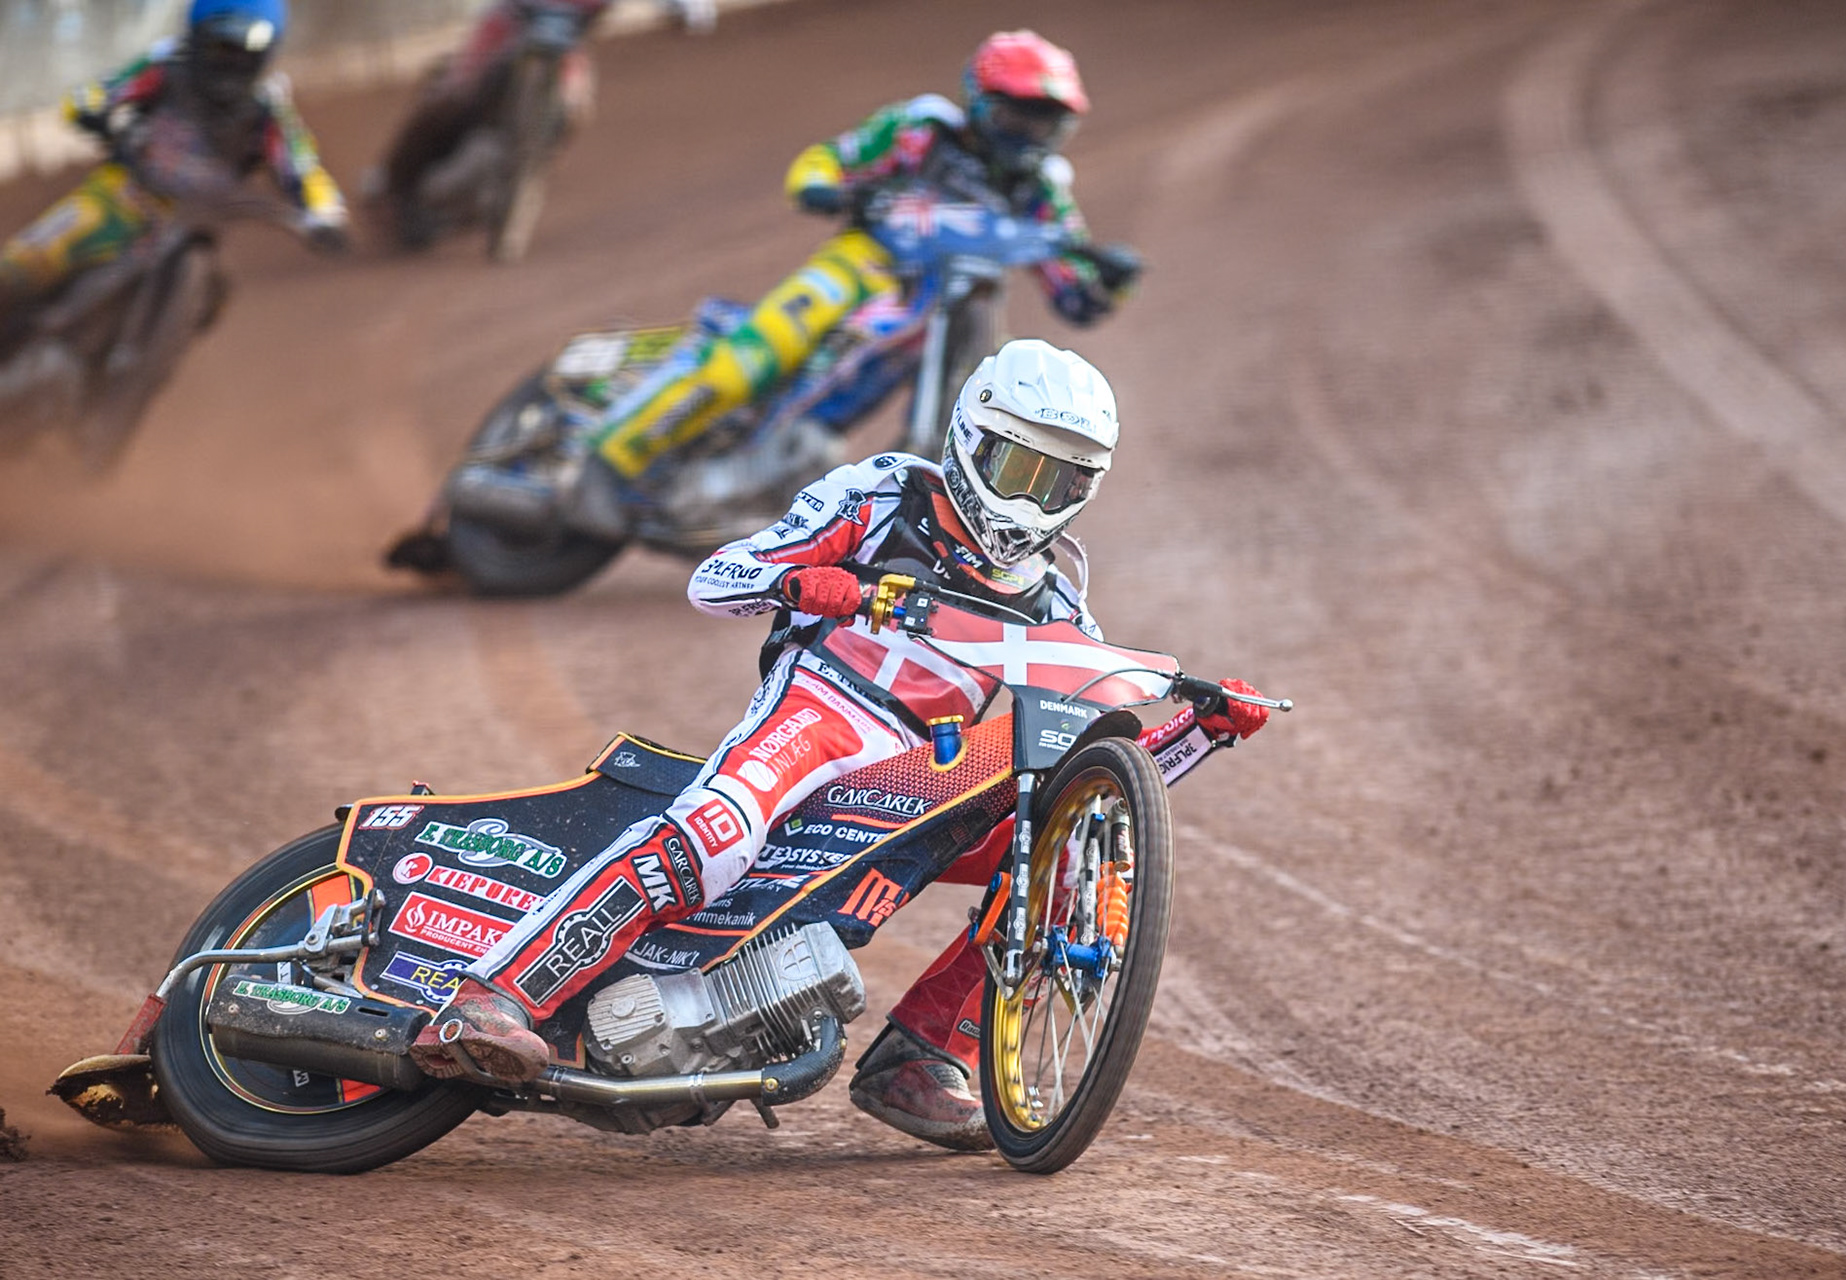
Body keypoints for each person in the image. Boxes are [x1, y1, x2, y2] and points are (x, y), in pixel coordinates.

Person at [411, 339, 1274, 1151]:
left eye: (1060, 481)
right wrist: (808, 581)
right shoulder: (884, 491)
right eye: (1019, 468)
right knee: (714, 833)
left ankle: (922, 1054)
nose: (1030, 500)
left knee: (1057, 853)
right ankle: (489, 995)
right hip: (819, 710)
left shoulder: (1056, 603)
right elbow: (716, 579)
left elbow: (1096, 772)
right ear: (973, 438)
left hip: (921, 767)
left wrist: (1198, 728)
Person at [585, 28, 1142, 486]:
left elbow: (1077, 296)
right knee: (746, 364)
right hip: (861, 268)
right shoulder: (923, 129)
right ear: (980, 101)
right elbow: (829, 161)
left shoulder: (1044, 191)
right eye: (1018, 116)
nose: (1029, 134)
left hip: (948, 304)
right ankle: (607, 460)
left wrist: (1113, 280)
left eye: (1045, 121)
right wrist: (826, 188)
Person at [0, 0, 347, 356]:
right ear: (197, 37)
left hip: (192, 228)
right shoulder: (166, 67)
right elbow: (97, 94)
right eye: (220, 44)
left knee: (211, 302)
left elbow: (303, 169)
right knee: (22, 264)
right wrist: (93, 111)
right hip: (120, 200)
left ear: (267, 49)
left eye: (247, 47)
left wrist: (325, 215)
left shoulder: (268, 109)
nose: (232, 58)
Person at [372, 0, 712, 249]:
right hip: (510, 25)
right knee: (455, 92)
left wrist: (688, 10)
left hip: (564, 50)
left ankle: (526, 177)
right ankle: (392, 183)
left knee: (574, 114)